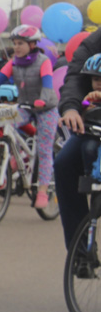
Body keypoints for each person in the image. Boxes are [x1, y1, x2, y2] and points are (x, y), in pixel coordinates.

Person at [0, 25, 58, 208]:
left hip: (46, 108)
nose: (17, 47)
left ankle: (42, 190)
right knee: (4, 122)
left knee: (43, 149)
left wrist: (42, 101)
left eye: (21, 43)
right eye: (15, 43)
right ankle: (13, 154)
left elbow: (48, 85)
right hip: (25, 106)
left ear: (33, 44)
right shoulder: (13, 62)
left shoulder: (44, 61)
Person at [55, 38, 101, 249]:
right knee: (64, 163)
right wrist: (71, 108)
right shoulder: (96, 41)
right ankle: (81, 251)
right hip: (95, 127)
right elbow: (75, 77)